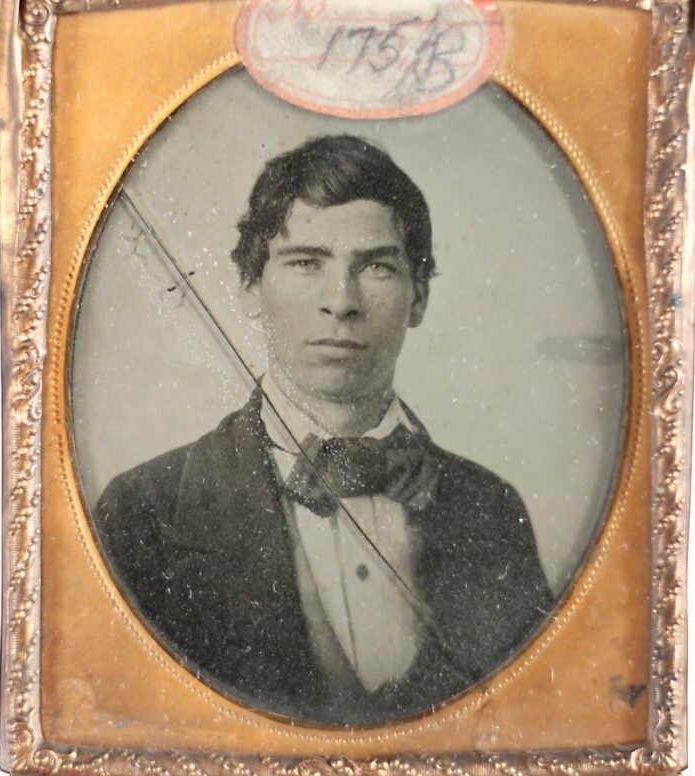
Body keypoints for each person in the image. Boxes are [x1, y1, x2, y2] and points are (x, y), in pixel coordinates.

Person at [95, 135, 553, 726]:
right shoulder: (144, 511)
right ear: (250, 288)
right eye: (306, 262)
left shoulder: (491, 510)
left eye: (377, 266)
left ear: (419, 297)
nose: (341, 302)